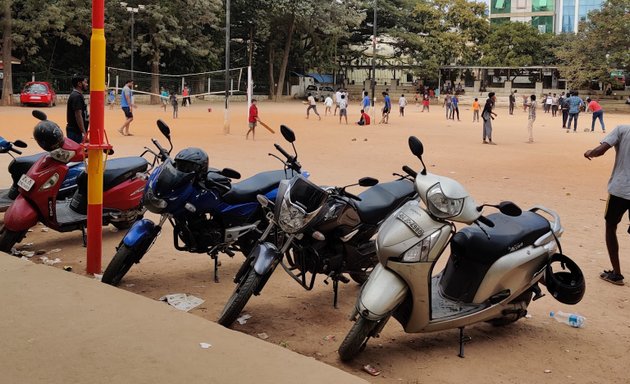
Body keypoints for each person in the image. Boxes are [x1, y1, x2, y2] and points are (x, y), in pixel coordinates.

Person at [584, 125, 630, 286]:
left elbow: (600, 151)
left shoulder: (623, 130)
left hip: (620, 190)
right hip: (621, 189)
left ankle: (617, 274)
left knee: (611, 227)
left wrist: (589, 152)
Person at [66, 75, 89, 144]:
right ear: (79, 84)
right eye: (85, 82)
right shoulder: (76, 96)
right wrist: (84, 133)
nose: (87, 84)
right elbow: (78, 115)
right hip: (75, 133)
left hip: (76, 132)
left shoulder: (78, 95)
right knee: (78, 153)